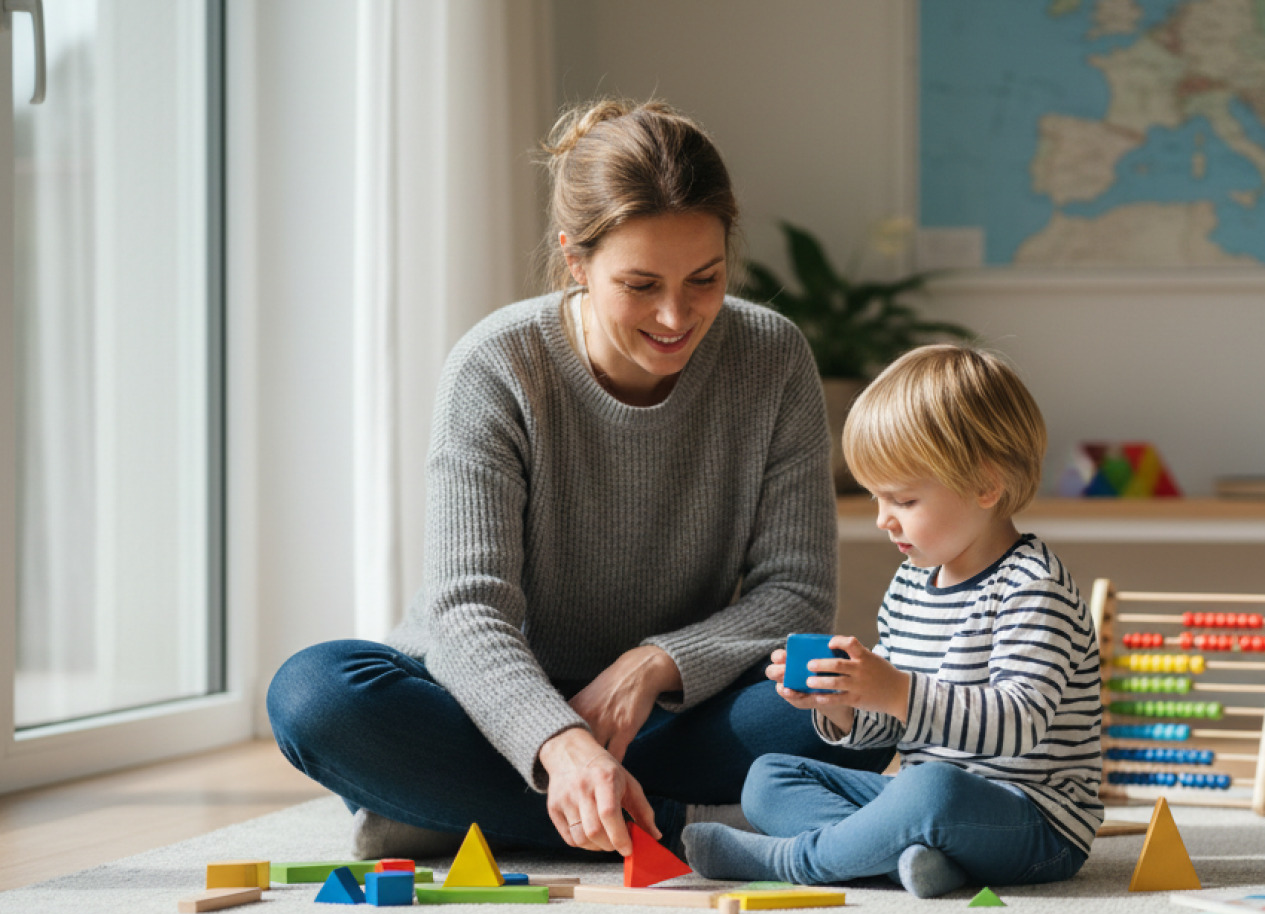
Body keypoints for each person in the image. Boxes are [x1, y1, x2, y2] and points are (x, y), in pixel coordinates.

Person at [266, 99, 886, 862]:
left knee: (847, 709)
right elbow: (466, 612)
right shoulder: (496, 365)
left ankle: (456, 810)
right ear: (575, 260)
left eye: (705, 278)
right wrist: (557, 741)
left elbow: (794, 593)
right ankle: (673, 821)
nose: (675, 315)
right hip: (488, 712)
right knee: (315, 695)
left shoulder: (772, 356)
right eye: (639, 283)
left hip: (663, 713)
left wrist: (651, 663)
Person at [682, 344, 1104, 898]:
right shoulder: (911, 583)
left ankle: (795, 862)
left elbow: (1018, 722)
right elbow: (892, 725)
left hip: (1034, 822)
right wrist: (840, 703)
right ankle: (911, 860)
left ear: (985, 485)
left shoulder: (1032, 588)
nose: (883, 519)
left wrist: (899, 690)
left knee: (929, 791)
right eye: (876, 497)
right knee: (770, 777)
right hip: (931, 807)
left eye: (902, 499)